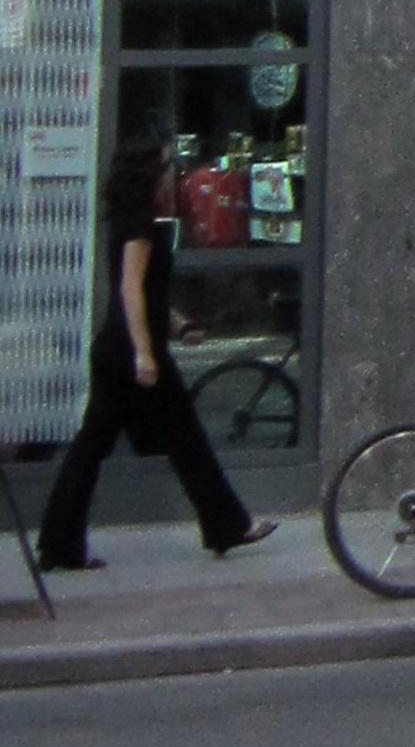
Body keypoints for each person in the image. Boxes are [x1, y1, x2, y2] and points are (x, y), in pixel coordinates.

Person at [36, 142, 277, 573]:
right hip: (132, 352)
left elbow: (145, 294)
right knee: (183, 439)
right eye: (168, 166)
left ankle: (59, 543)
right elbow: (130, 289)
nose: (173, 174)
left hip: (117, 348)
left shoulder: (130, 221)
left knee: (97, 446)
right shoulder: (141, 227)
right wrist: (145, 354)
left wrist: (178, 325)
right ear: (149, 173)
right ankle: (226, 526)